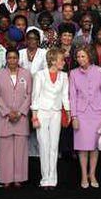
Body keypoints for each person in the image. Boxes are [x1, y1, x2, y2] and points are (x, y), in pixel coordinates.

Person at [69, 46, 101, 188]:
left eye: (83, 56)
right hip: (81, 114)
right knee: (82, 147)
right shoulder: (73, 73)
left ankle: (92, 174)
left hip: (97, 113)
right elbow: (72, 97)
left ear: (89, 56)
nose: (80, 59)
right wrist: (74, 116)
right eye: (78, 57)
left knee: (94, 146)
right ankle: (83, 175)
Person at [31, 48, 70, 189]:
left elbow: (65, 96)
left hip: (56, 112)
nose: (64, 62)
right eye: (61, 60)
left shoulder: (64, 76)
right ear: (53, 60)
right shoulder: (40, 75)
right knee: (44, 145)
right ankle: (45, 179)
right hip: (42, 111)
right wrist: (34, 116)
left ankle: (53, 179)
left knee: (54, 146)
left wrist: (69, 112)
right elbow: (35, 96)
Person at [0, 49, 32, 188]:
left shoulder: (26, 74)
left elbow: (29, 95)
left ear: (18, 59)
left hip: (21, 118)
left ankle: (18, 178)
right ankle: (6, 178)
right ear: (6, 59)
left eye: (14, 57)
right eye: (9, 57)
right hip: (5, 118)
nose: (12, 60)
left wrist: (21, 112)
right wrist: (7, 112)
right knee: (5, 150)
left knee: (20, 150)